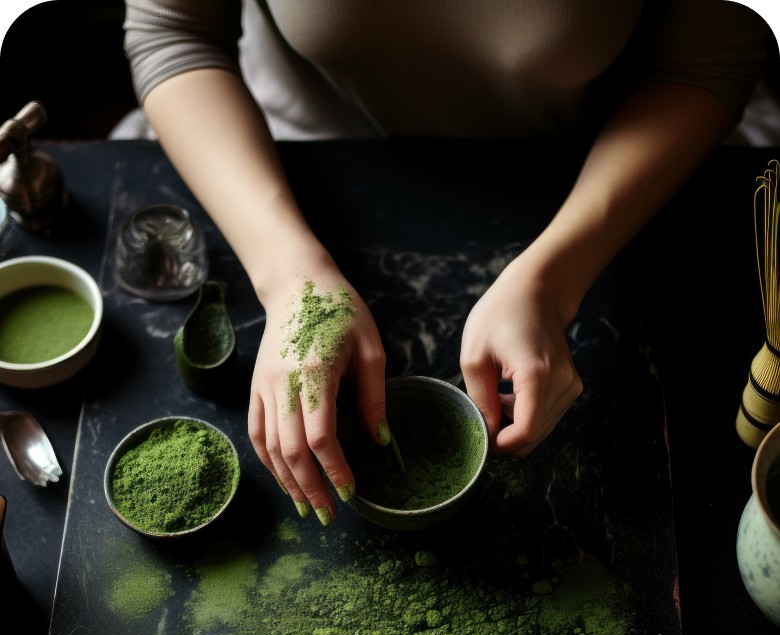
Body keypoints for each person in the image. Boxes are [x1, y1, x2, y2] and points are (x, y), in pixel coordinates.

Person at [122, 0, 770, 527]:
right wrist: (289, 278)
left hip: (585, 177)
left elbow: (703, 66)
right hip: (283, 168)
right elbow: (174, 34)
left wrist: (552, 281)